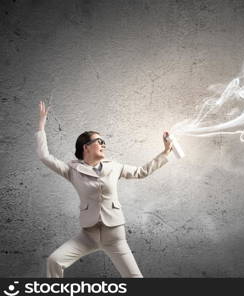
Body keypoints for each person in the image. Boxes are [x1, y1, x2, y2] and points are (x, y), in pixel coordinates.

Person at [35, 100, 173, 278]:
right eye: (99, 141)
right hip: (89, 235)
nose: (104, 144)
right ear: (86, 147)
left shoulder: (114, 167)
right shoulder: (72, 170)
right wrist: (41, 125)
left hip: (114, 235)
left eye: (104, 141)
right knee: (54, 261)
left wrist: (166, 152)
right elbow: (44, 156)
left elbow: (141, 172)